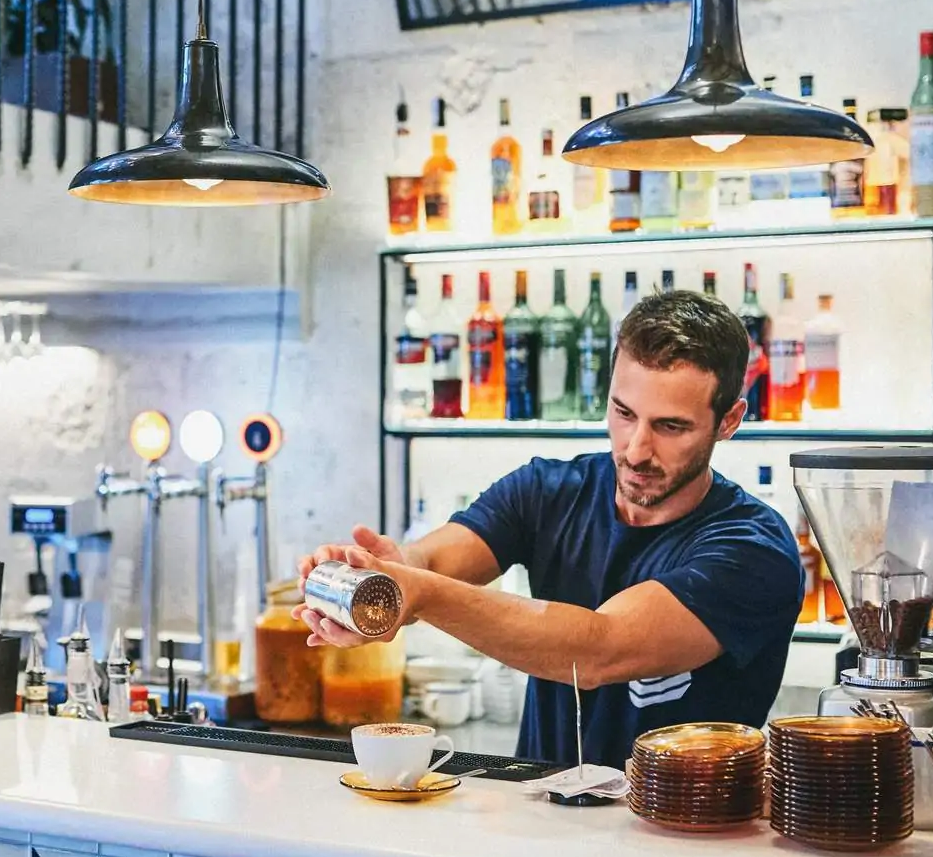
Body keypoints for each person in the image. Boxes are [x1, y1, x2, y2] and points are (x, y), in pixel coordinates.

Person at [298, 291, 802, 767]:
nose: (635, 449)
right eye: (623, 414)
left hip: (684, 835)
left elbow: (599, 649)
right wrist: (379, 577)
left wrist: (420, 596)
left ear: (730, 420)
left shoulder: (753, 549)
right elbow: (430, 561)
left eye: (671, 427)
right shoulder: (548, 490)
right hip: (543, 824)